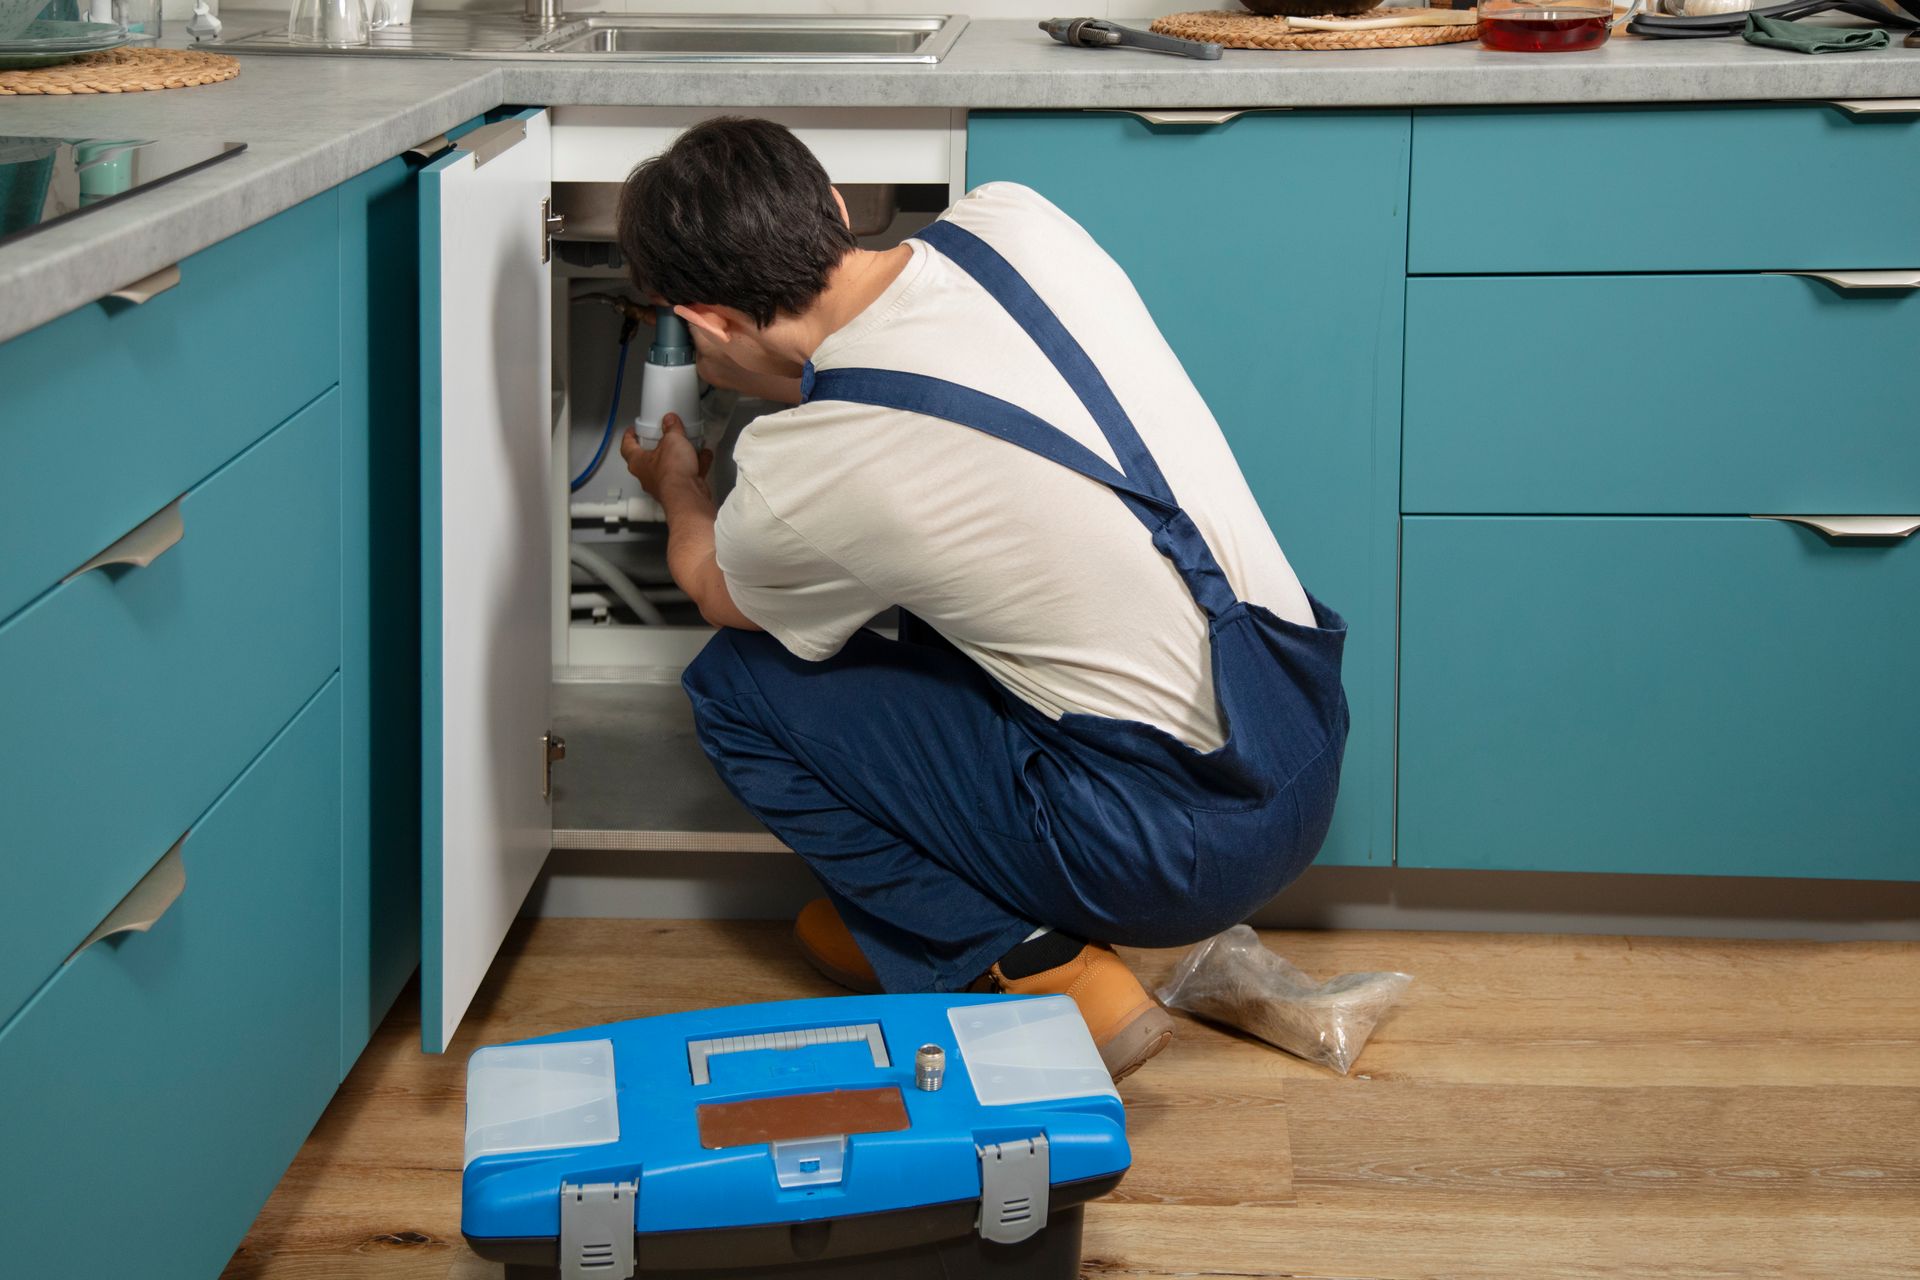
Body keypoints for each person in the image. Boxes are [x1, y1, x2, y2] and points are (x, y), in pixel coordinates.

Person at [616, 117, 1348, 1081]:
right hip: (1303, 732)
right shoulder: (1016, 222)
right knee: (935, 599)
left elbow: (716, 586)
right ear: (833, 206)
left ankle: (1010, 952)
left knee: (738, 687)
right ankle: (916, 916)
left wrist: (679, 487)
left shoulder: (803, 472)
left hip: (1178, 852)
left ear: (707, 323)